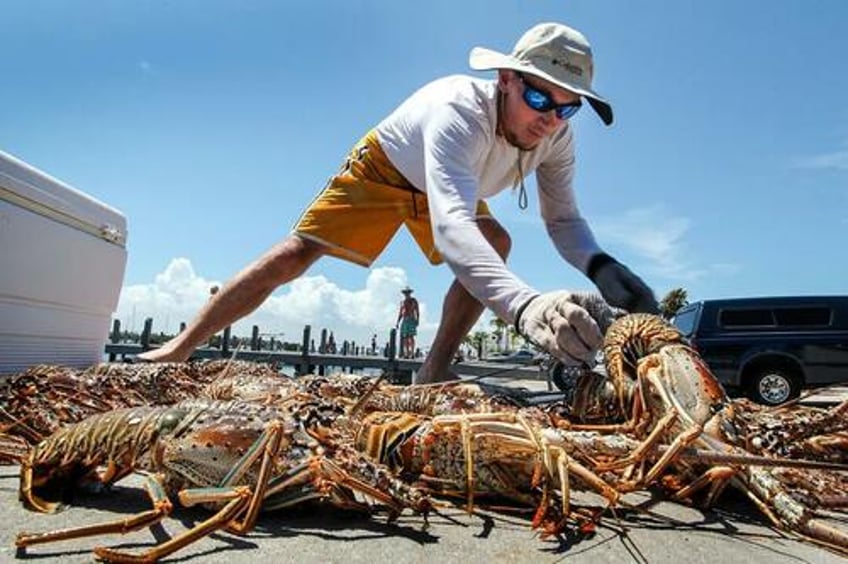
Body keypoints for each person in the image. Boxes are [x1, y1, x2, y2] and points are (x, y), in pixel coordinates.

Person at [138, 22, 658, 384]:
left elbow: (563, 220)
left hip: (455, 187)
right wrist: (526, 307)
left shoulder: (555, 139)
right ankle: (178, 347)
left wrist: (601, 266)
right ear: (505, 79)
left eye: (568, 109)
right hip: (387, 167)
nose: (550, 119)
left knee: (497, 239)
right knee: (298, 253)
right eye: (540, 98)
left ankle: (433, 373)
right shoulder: (459, 112)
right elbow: (454, 225)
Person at [396, 287, 420, 358]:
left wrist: (417, 320)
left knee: (411, 337)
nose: (407, 294)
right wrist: (397, 322)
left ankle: (412, 353)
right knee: (405, 337)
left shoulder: (414, 301)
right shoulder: (402, 302)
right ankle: (406, 353)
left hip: (411, 319)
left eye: (408, 293)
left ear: (410, 293)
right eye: (405, 293)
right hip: (404, 320)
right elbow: (400, 312)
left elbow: (417, 311)